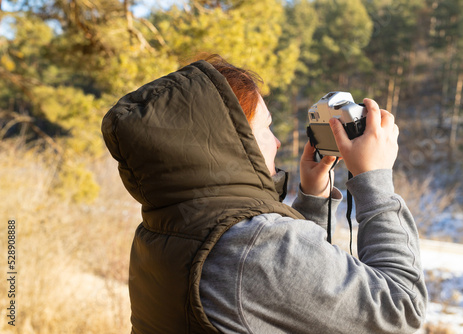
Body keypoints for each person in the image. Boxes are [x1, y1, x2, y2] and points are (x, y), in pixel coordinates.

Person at [101, 54, 427, 334]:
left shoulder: (162, 230)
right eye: (266, 127)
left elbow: (278, 298)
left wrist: (312, 199)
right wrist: (375, 181)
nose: (277, 142)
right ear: (230, 140)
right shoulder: (252, 244)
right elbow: (401, 310)